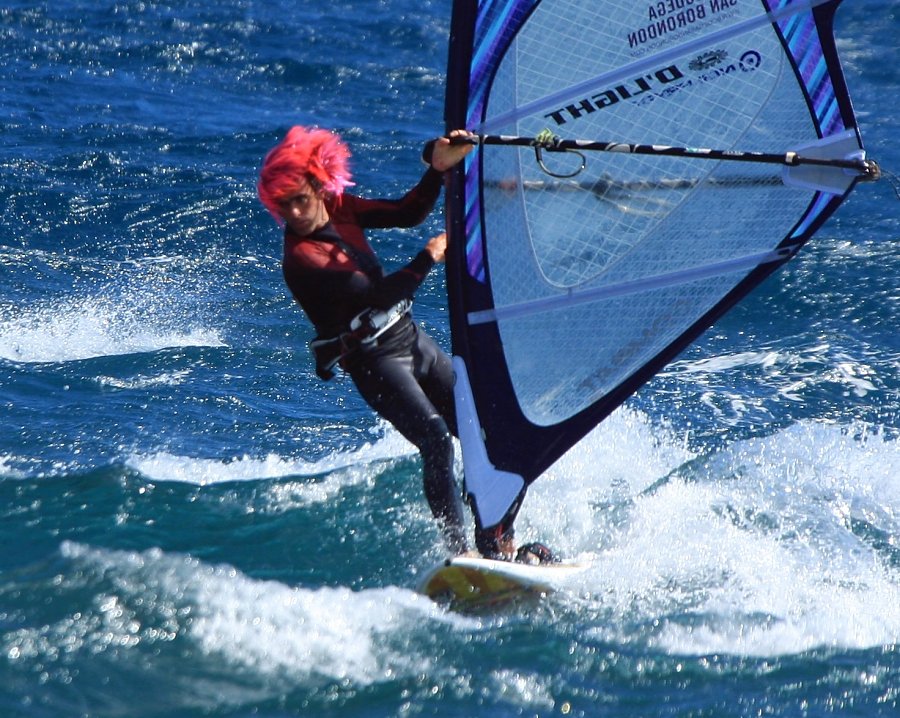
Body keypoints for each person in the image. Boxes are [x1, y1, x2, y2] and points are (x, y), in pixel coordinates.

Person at [257, 126, 553, 563]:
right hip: (373, 359)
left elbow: (406, 212)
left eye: (300, 198)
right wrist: (429, 256)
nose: (294, 212)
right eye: (283, 205)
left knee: (489, 429)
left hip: (410, 338)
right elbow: (377, 295)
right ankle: (460, 552)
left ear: (319, 186)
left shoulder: (338, 208)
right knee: (436, 437)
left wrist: (437, 170)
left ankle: (497, 537)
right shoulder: (300, 259)